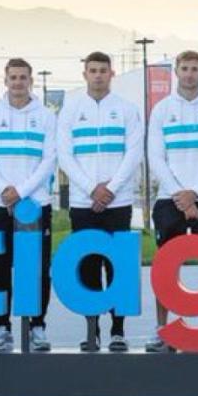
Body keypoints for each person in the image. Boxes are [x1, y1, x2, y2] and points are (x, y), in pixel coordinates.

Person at [144, 50, 198, 352]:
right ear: (177, 72)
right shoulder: (162, 110)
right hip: (169, 199)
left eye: (195, 69)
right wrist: (181, 195)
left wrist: (194, 192)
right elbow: (155, 157)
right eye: (185, 68)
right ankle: (163, 331)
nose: (190, 73)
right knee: (167, 266)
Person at [57, 51, 144, 353]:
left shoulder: (126, 110)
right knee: (89, 266)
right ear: (84, 74)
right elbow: (65, 155)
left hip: (117, 203)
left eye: (102, 70)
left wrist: (110, 189)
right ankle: (91, 330)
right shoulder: (70, 110)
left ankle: (117, 331)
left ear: (111, 74)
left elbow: (133, 154)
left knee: (116, 266)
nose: (97, 75)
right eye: (92, 70)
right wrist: (92, 188)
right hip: (83, 202)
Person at [0, 58, 58, 353]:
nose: (18, 82)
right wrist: (4, 191)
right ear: (6, 80)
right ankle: (2, 327)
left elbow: (49, 160)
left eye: (23, 77)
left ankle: (38, 326)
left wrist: (21, 192)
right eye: (13, 77)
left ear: (30, 80)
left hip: (35, 204)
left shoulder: (47, 116)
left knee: (37, 268)